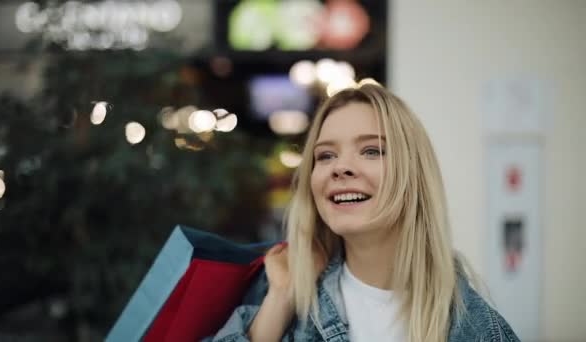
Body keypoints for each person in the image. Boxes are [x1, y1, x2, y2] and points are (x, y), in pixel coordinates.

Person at [207, 81, 520, 341]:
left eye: (372, 150)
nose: (340, 167)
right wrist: (282, 299)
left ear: (413, 174)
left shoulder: (481, 330)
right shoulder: (279, 299)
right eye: (326, 155)